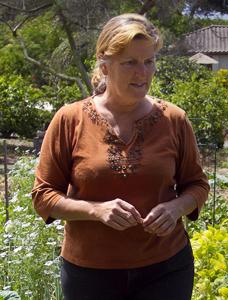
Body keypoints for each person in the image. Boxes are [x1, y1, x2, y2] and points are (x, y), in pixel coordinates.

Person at [31, 13, 209, 300]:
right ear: (105, 65)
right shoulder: (70, 119)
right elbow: (43, 197)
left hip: (166, 269)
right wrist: (95, 210)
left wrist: (176, 208)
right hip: (89, 274)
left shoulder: (174, 119)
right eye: (130, 63)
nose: (143, 73)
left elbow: (197, 185)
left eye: (149, 61)